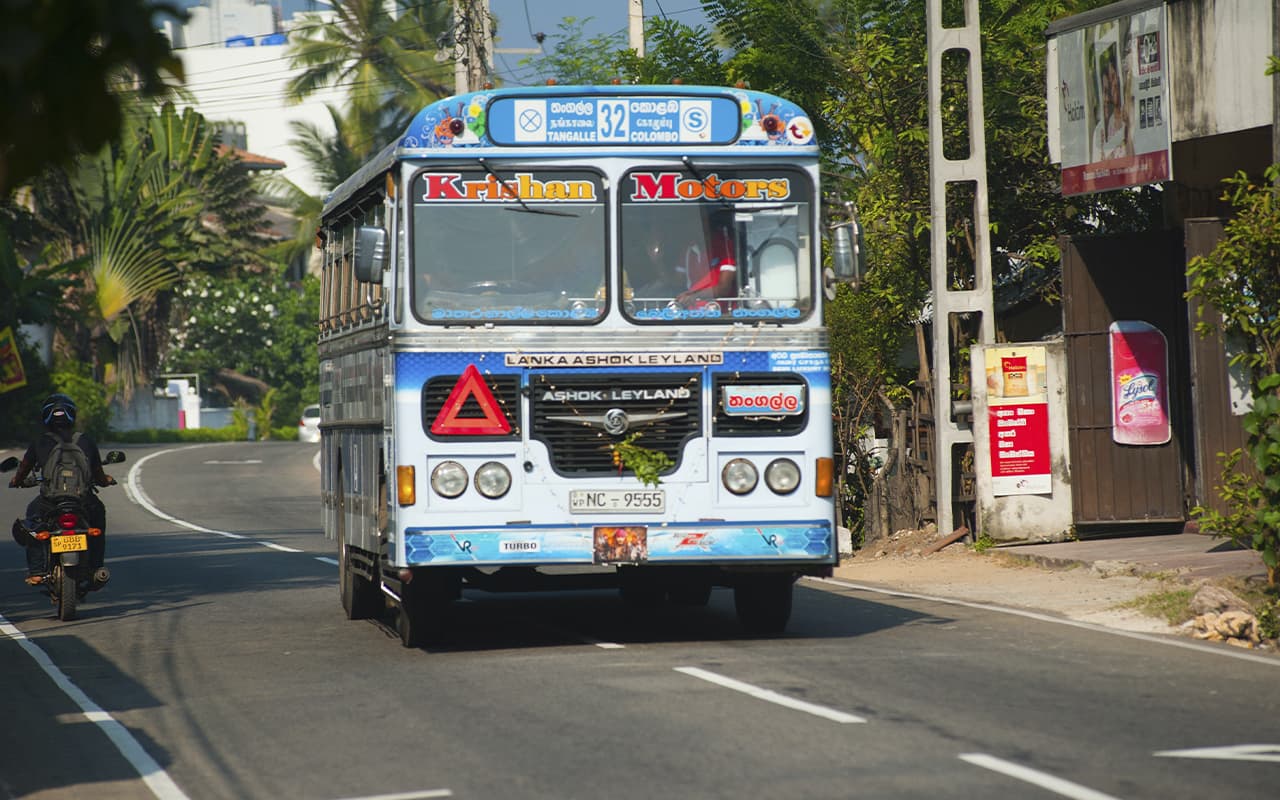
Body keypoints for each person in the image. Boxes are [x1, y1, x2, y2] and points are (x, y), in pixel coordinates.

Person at [8, 393, 115, 588]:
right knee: (98, 517)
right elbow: (98, 473)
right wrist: (106, 480)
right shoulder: (85, 440)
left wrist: (17, 480)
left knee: (33, 523)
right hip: (82, 500)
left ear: (46, 417)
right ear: (72, 415)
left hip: (50, 502)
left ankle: (38, 572)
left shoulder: (40, 442)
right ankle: (96, 567)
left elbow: (23, 468)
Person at [676, 212, 738, 307]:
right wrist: (657, 260)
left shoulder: (725, 247)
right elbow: (675, 283)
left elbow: (724, 288)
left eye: (697, 225)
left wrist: (694, 295)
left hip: (721, 314)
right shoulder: (689, 249)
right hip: (691, 313)